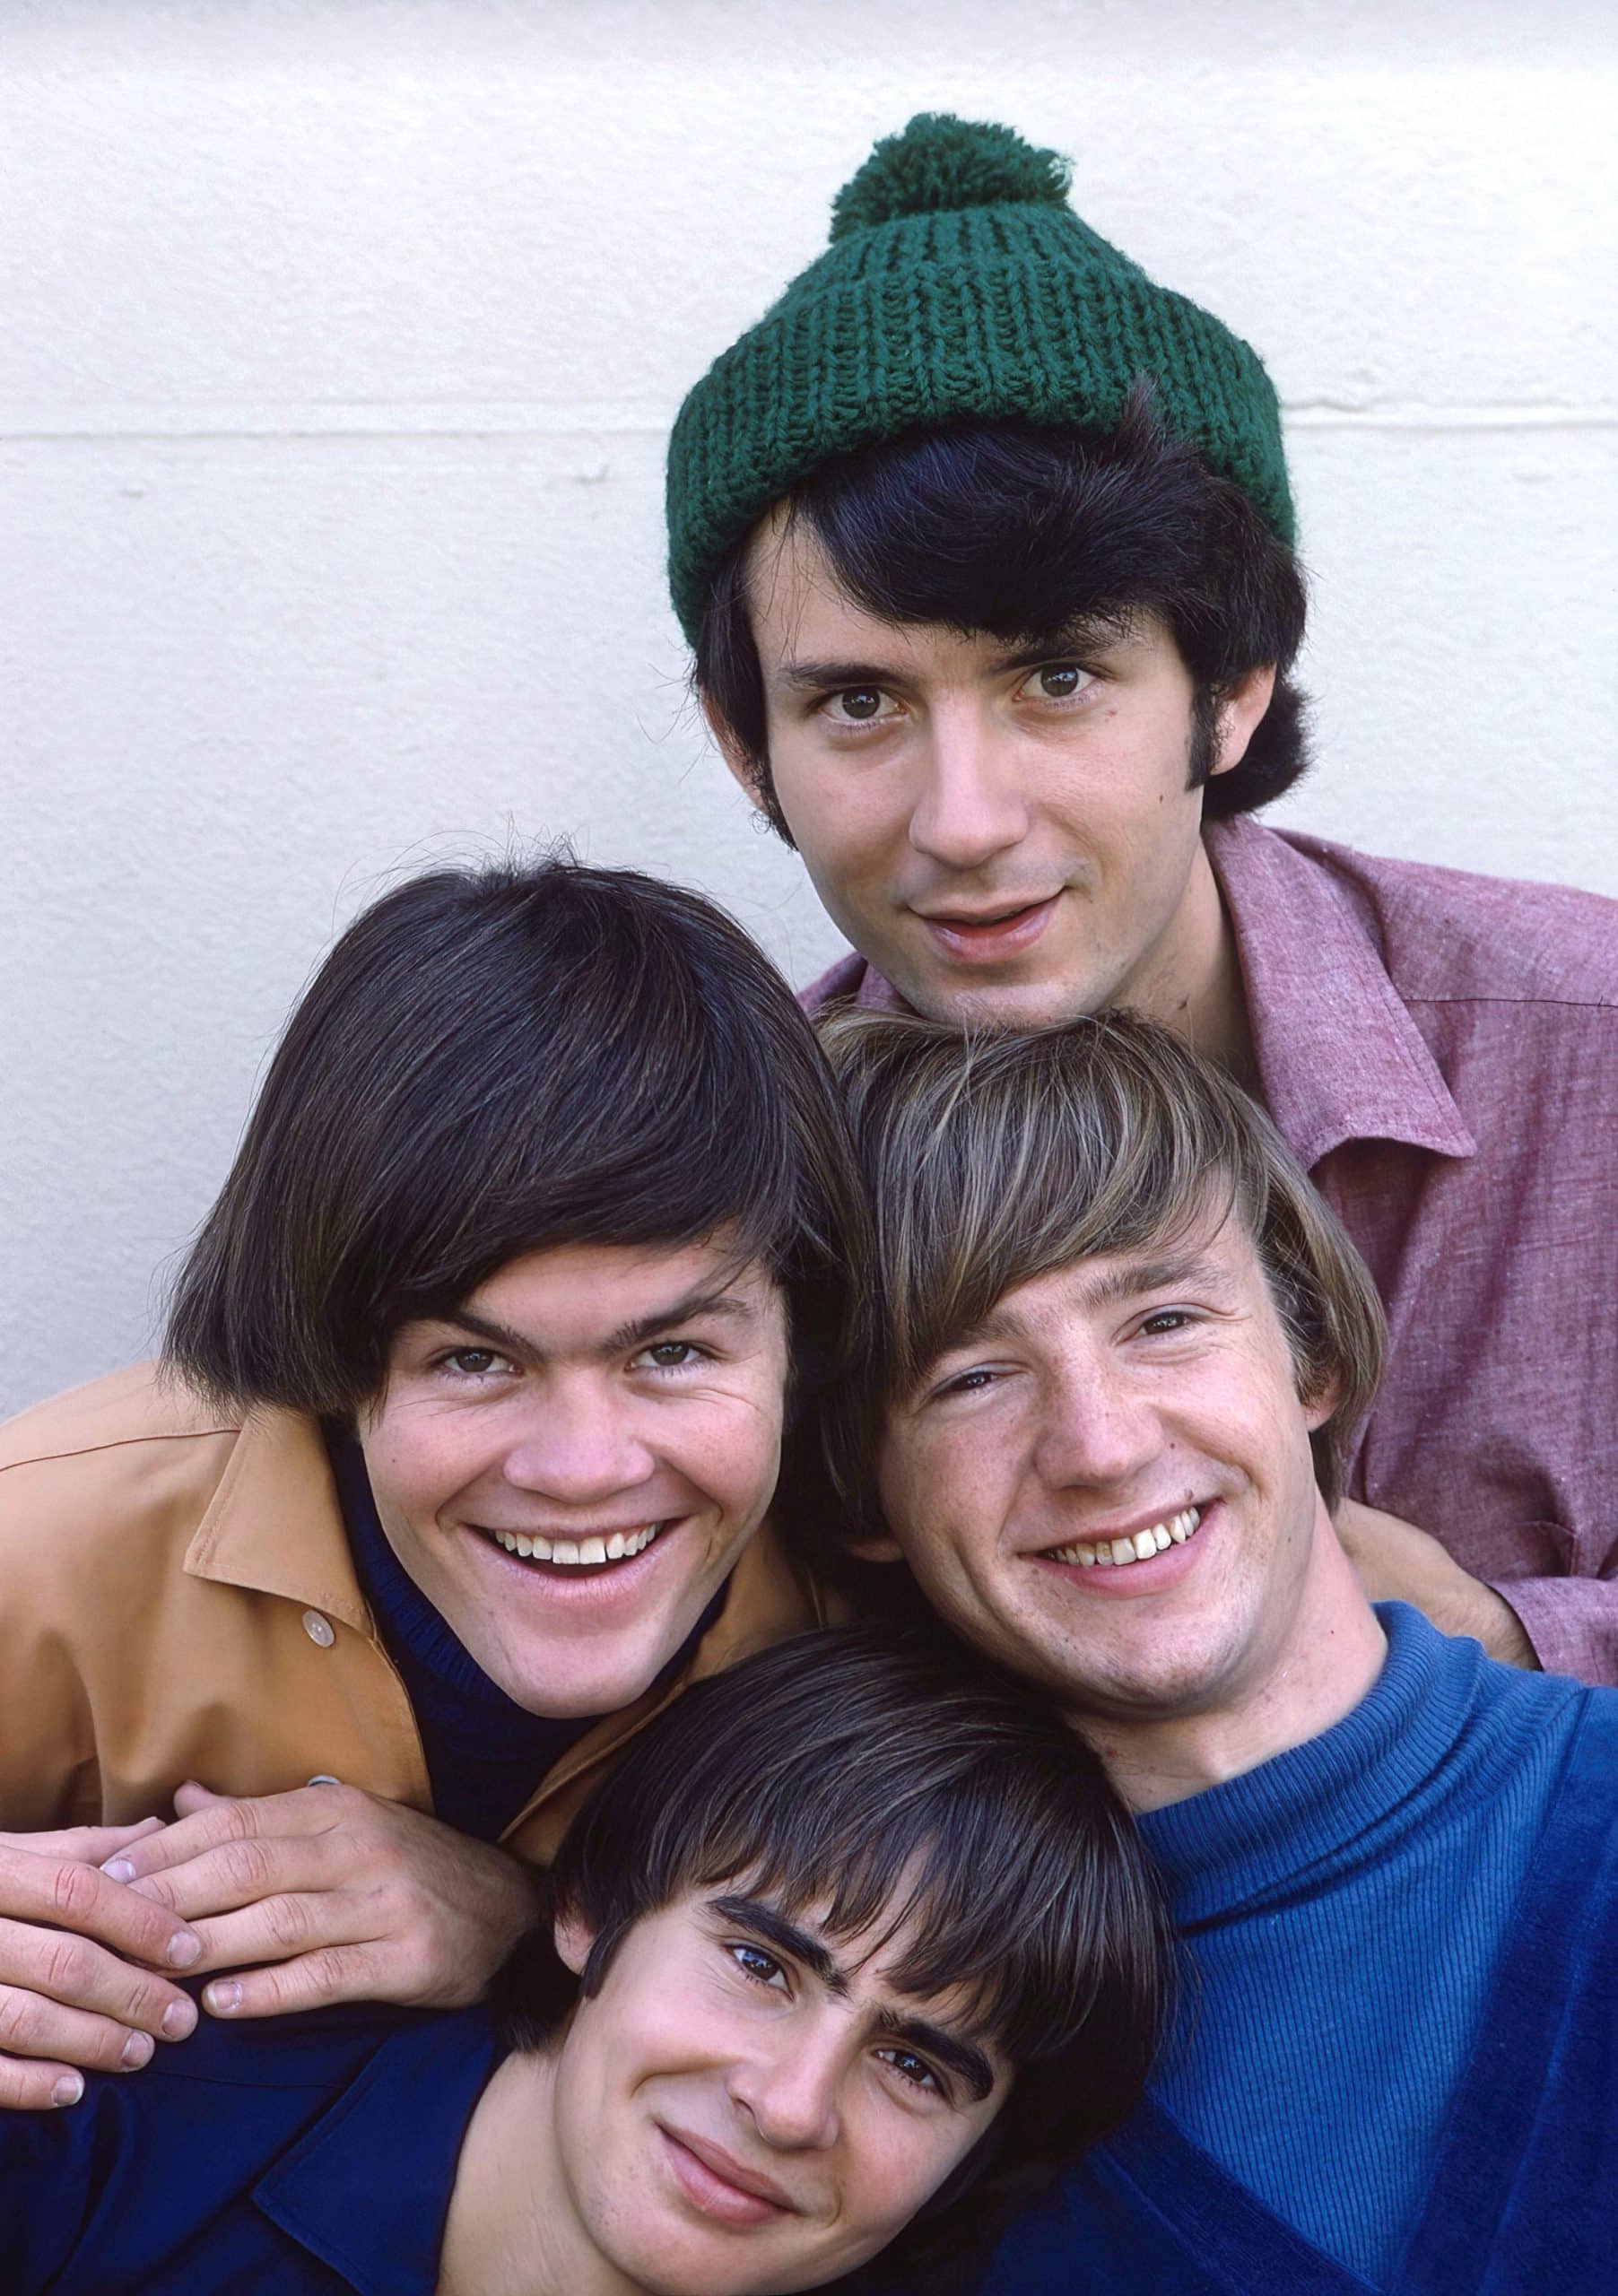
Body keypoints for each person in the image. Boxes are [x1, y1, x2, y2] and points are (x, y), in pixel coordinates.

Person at [665, 110, 1618, 1683]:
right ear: (740, 741)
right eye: (858, 705)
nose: (963, 822)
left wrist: (1502, 1642)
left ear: (1232, 691)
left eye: (1057, 678)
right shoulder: (730, 1176)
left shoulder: (1585, 1049)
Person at [0, 850, 869, 2110]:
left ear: (806, 1330)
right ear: (340, 1357)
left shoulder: (873, 1613)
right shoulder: (50, 1530)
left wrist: (523, 1922)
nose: (585, 1470)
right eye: (475, 1360)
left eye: (672, 1353)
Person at [813, 1009, 1618, 2292]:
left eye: (1164, 1322)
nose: (1102, 1447)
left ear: (1314, 1355)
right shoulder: (887, 2075)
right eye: (970, 1376)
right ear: (860, 1497)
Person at [0, 1624, 1170, 2295]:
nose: (791, 2104)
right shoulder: (111, 2101)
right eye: (763, 1967)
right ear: (587, 1912)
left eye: (918, 2067)